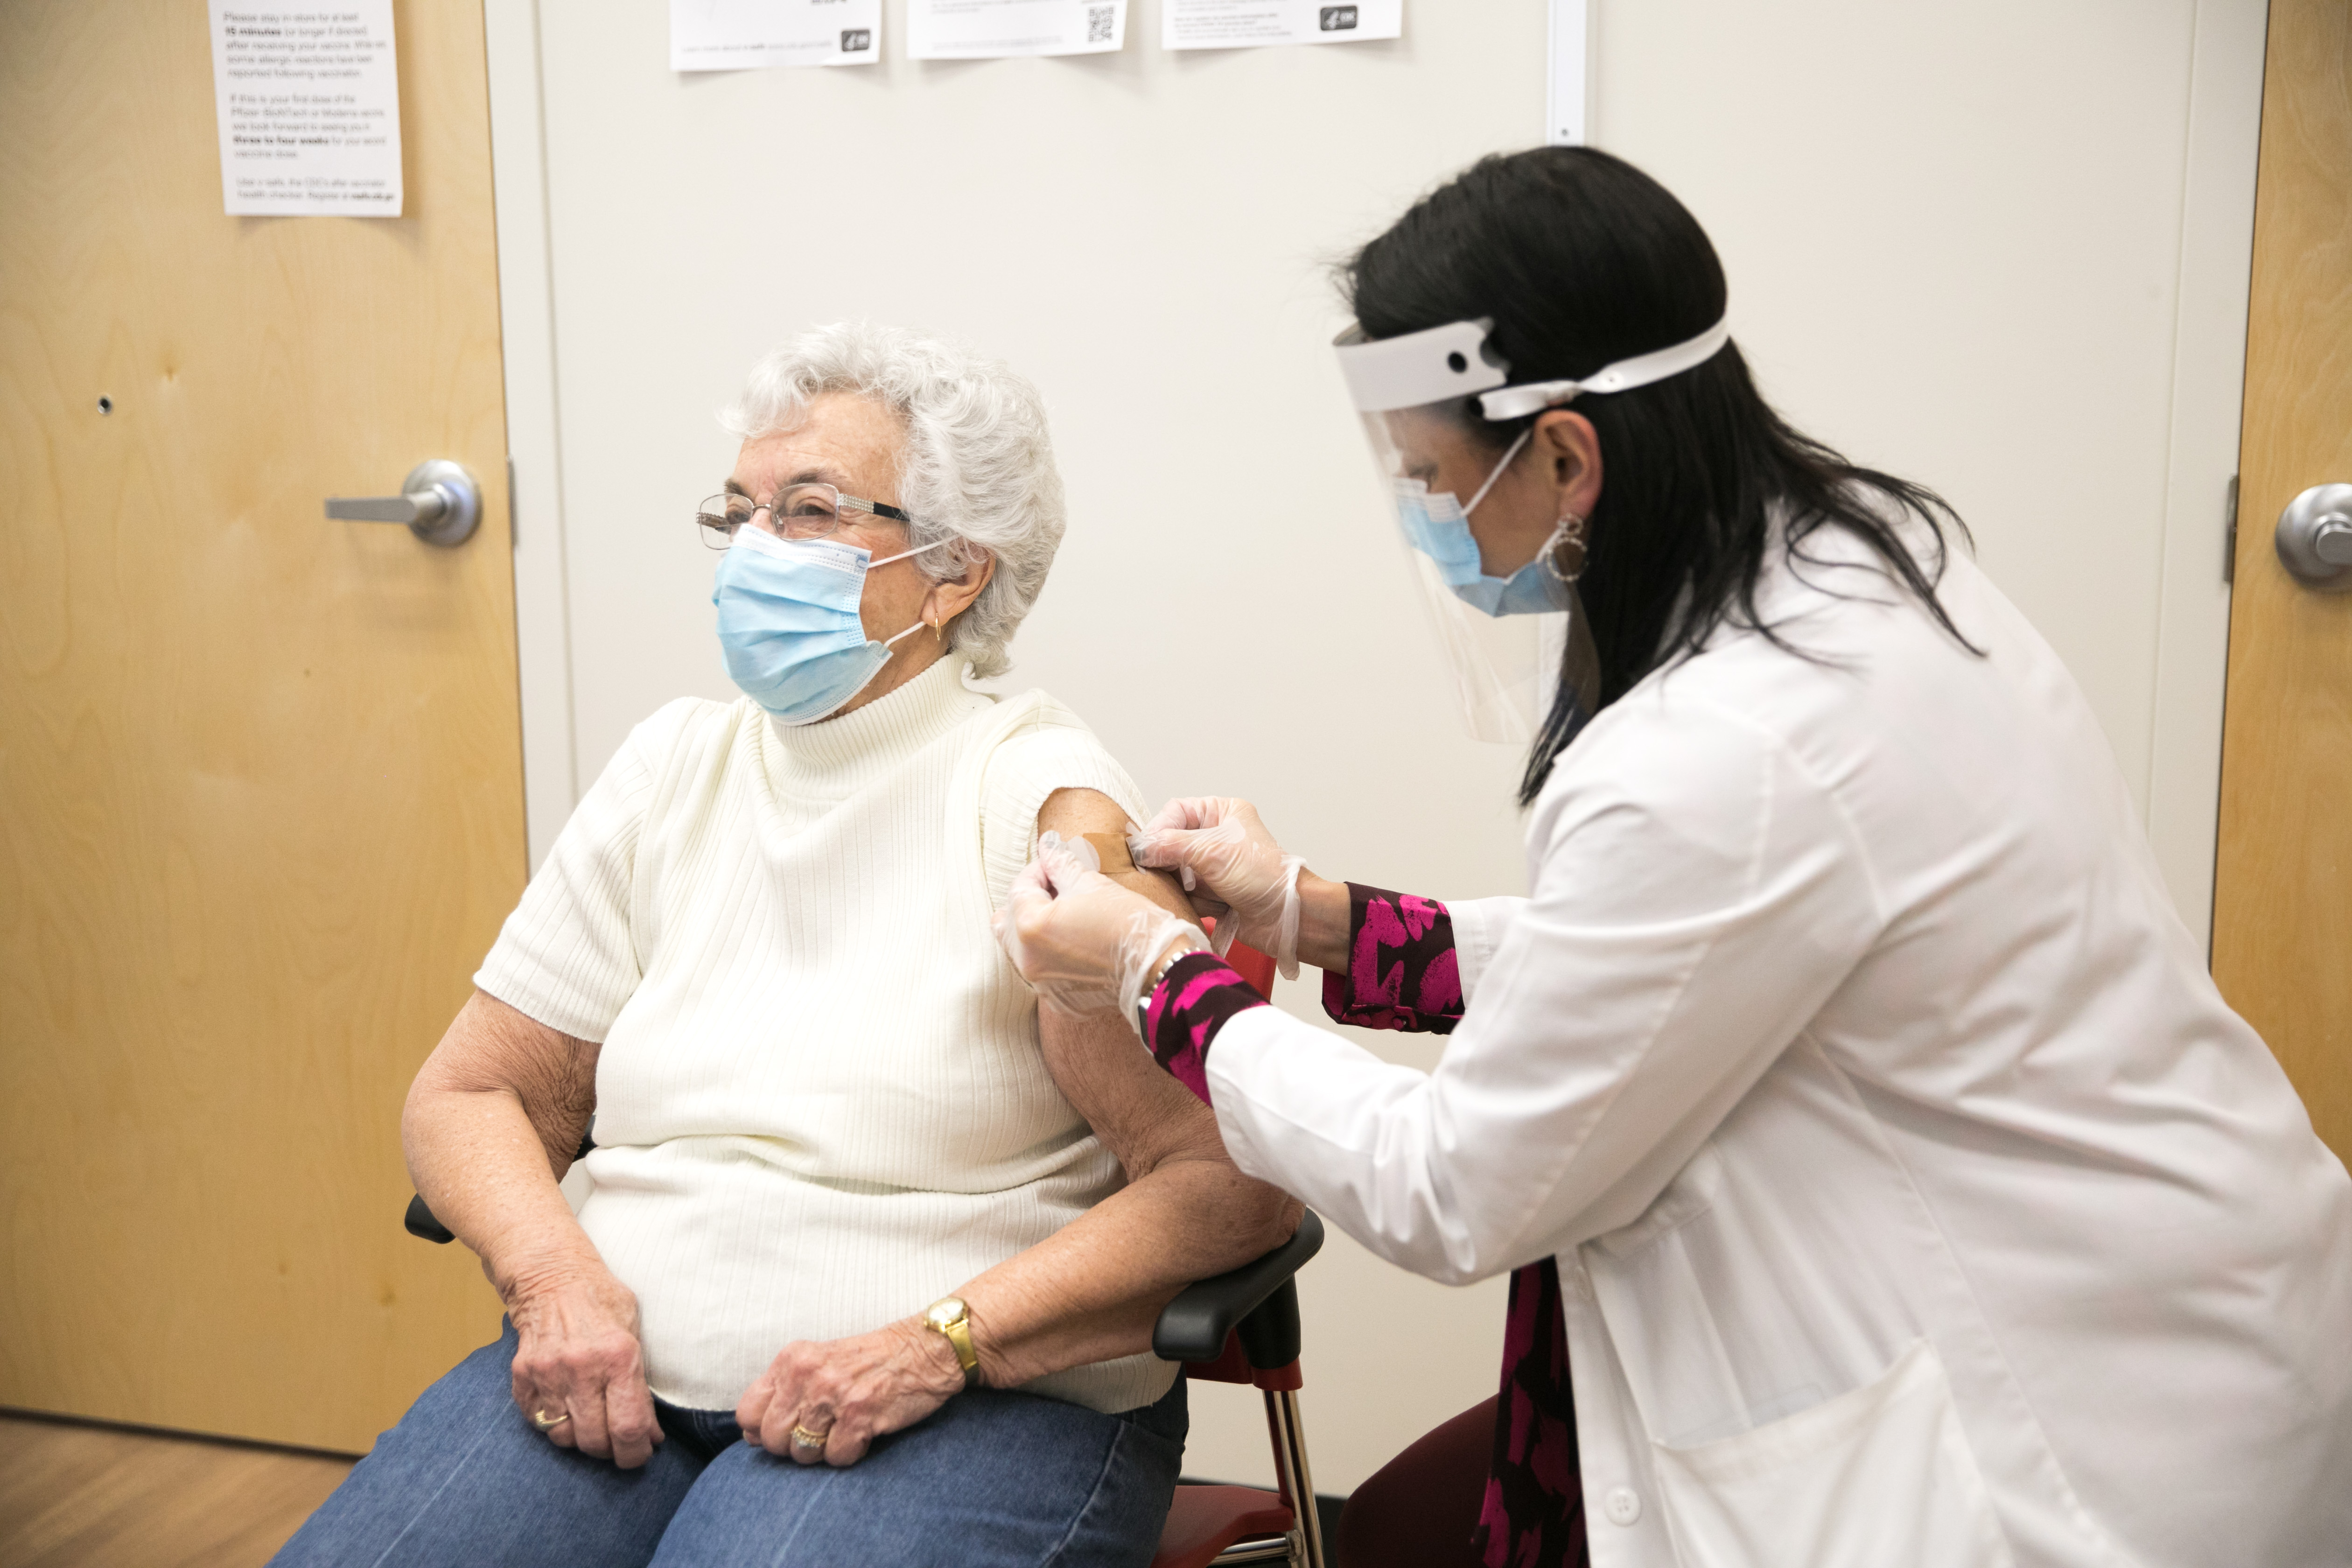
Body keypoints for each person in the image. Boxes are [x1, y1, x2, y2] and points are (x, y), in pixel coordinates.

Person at [994, 148, 2352, 1568]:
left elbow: (1459, 1184)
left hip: (2057, 1427)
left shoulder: (1725, 746)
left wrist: (1160, 979)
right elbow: (1694, 952)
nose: (1423, 515)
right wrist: (1320, 917)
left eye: (1431, 477)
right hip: (2165, 1275)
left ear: (1568, 455)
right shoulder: (1855, 565)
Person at [275, 323, 1297, 1568]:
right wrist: (551, 1277)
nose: (757, 552)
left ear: (956, 571)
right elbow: (475, 1088)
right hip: (611, 1371)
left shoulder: (1037, 798)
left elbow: (1222, 1181)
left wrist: (936, 1344)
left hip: (960, 1398)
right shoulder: (674, 768)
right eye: (740, 515)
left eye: (810, 512)